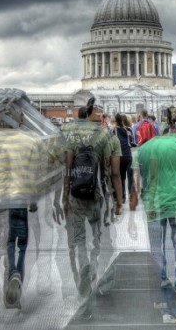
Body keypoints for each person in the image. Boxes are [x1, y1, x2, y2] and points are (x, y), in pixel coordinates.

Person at [0, 105, 63, 318]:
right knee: (16, 243)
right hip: (19, 199)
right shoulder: (33, 141)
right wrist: (35, 200)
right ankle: (14, 279)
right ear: (20, 118)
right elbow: (40, 174)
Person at [60, 98, 123, 320]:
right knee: (100, 238)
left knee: (78, 240)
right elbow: (114, 172)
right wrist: (119, 200)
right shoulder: (106, 135)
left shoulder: (68, 133)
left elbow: (67, 169)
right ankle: (97, 272)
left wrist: (64, 197)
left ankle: (84, 277)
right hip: (99, 194)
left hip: (76, 194)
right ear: (94, 113)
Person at [137, 128, 176, 324]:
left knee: (156, 247)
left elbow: (144, 179)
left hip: (154, 205)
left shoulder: (143, 150)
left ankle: (162, 278)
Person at [114, 113, 134, 206]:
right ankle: (131, 196)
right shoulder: (129, 130)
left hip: (119, 157)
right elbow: (132, 142)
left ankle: (122, 197)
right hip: (128, 156)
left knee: (121, 177)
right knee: (130, 177)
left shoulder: (113, 131)